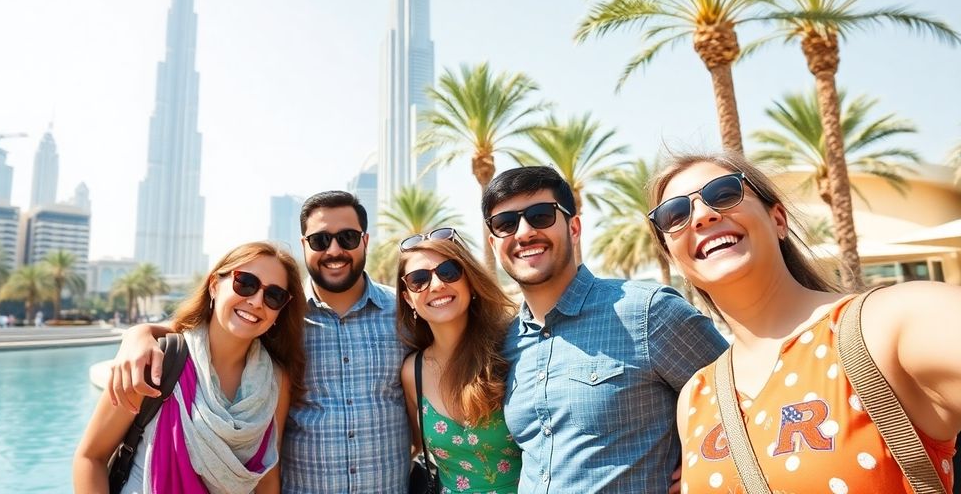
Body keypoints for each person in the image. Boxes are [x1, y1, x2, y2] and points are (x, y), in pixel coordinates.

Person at [647, 153, 961, 492]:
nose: (703, 216)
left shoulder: (888, 324)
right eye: (675, 215)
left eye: (724, 193)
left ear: (778, 220)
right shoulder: (696, 397)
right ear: (673, 257)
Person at [107, 191, 410, 493]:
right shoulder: (280, 314)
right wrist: (141, 332)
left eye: (347, 238)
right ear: (305, 245)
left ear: (365, 241)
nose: (334, 250)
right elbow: (213, 326)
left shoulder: (406, 314)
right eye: (320, 240)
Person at [482, 166, 729, 493]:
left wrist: (706, 463)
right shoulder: (505, 344)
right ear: (493, 242)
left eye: (540, 216)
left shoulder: (648, 312)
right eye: (505, 224)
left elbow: (741, 400)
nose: (524, 232)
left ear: (574, 227)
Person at [73, 241, 307, 493]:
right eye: (246, 283)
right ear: (215, 286)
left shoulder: (275, 382)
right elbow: (90, 458)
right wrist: (138, 333)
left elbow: (267, 477)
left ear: (281, 310)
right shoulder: (157, 361)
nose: (257, 301)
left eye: (274, 296)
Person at [398, 228, 522, 493]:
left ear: (470, 281)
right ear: (408, 298)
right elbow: (415, 447)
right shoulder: (413, 372)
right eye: (418, 279)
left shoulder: (512, 349)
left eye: (449, 271)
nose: (437, 285)